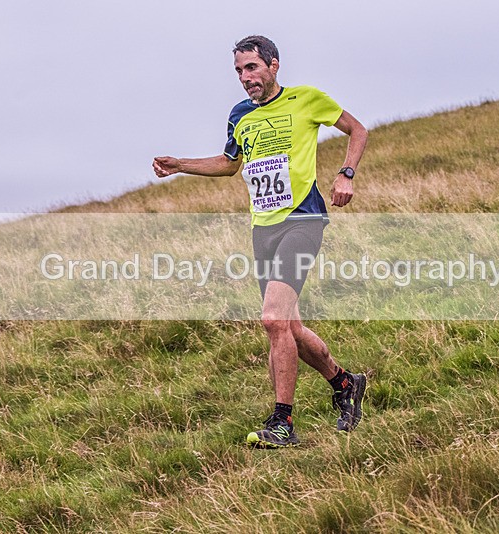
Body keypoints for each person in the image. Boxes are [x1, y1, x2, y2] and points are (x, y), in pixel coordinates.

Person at [153, 35, 368, 448]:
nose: (245, 77)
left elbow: (357, 130)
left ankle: (282, 423)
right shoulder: (240, 115)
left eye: (251, 67)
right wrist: (181, 165)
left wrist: (346, 174)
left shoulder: (306, 99)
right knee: (289, 327)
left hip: (302, 220)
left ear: (273, 65)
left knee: (272, 319)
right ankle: (345, 384)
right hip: (263, 229)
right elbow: (229, 163)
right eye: (239, 71)